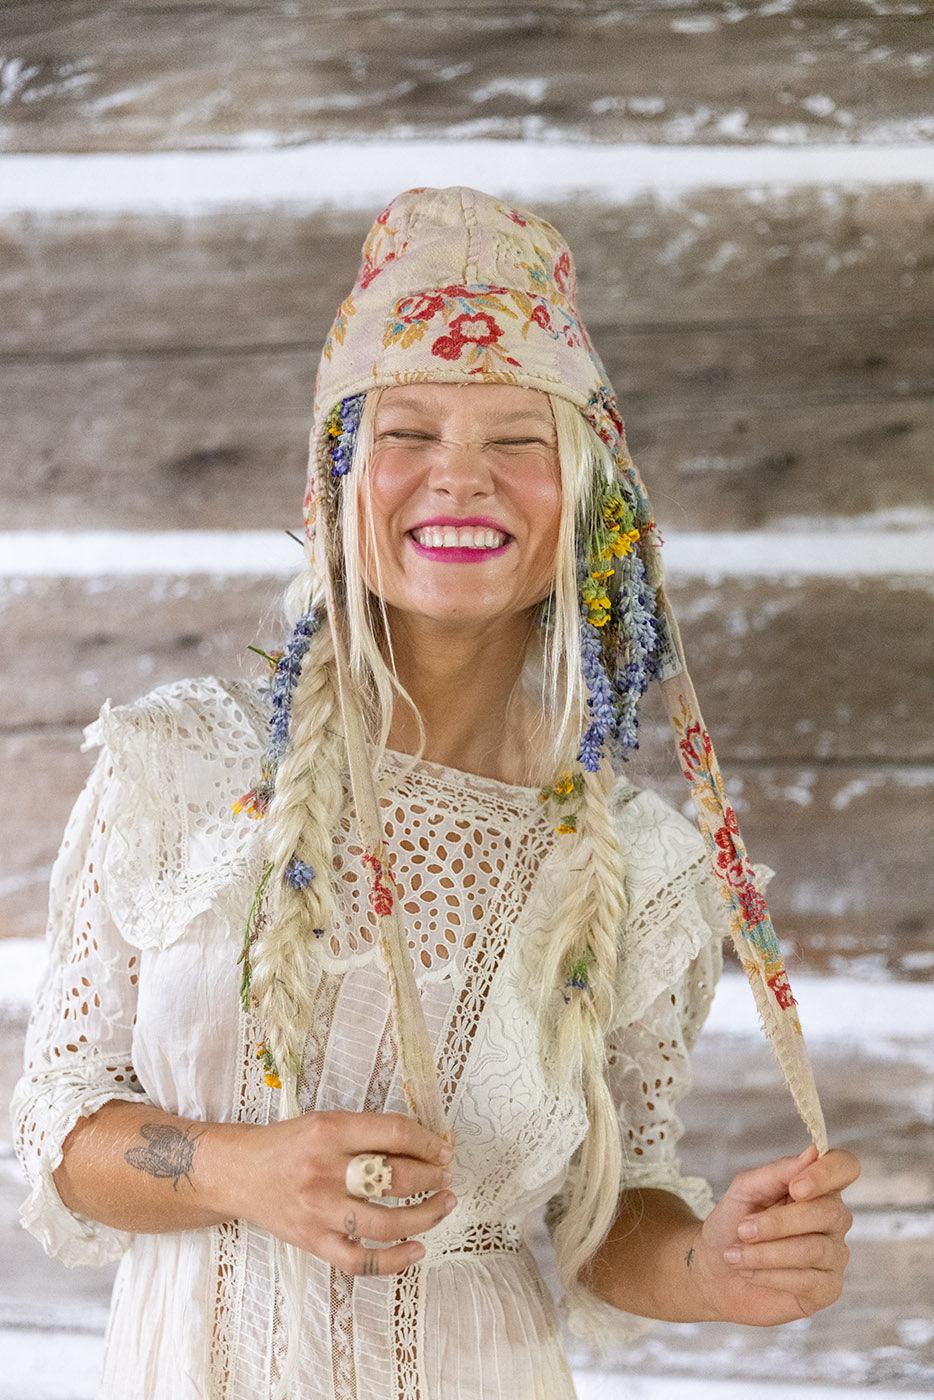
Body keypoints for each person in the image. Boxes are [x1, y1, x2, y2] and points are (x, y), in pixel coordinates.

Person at [10, 186, 859, 1400]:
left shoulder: (636, 865)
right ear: (337, 484)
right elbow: (59, 1122)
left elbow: (606, 1218)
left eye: (519, 439)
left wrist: (713, 1264)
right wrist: (239, 1169)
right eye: (406, 432)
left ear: (587, 510)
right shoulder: (179, 769)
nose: (460, 478)